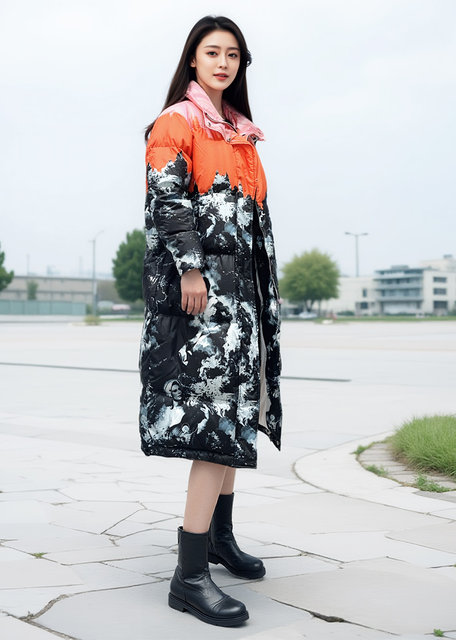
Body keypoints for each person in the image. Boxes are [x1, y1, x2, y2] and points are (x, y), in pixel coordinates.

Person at [139, 15, 282, 627]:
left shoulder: (239, 131)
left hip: (241, 299)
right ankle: (189, 575)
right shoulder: (178, 121)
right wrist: (191, 270)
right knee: (212, 424)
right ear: (193, 60)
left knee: (234, 417)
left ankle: (220, 539)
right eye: (212, 52)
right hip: (204, 298)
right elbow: (168, 202)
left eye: (233, 55)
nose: (223, 63)